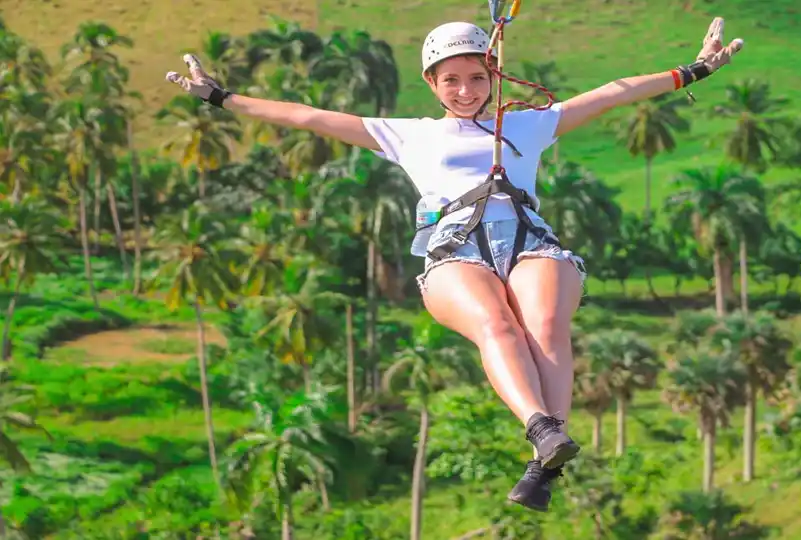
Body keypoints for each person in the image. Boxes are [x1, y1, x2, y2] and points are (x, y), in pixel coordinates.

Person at [165, 16, 743, 512]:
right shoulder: (406, 135)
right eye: (452, 80)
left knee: (544, 327)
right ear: (433, 85)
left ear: (494, 76)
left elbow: (613, 92)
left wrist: (693, 71)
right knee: (496, 324)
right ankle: (542, 429)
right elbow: (308, 116)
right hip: (453, 252)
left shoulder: (529, 123)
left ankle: (546, 464)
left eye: (476, 77)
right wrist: (223, 98)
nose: (465, 90)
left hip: (530, 241)